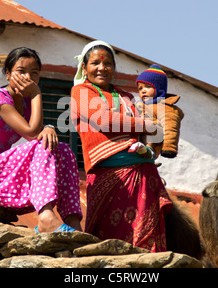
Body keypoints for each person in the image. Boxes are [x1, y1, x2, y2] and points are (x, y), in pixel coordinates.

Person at [0, 47, 82, 233]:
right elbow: (32, 135)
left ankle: (73, 222)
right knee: (42, 144)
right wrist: (37, 94)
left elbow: (39, 134)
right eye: (21, 71)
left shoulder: (26, 104)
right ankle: (46, 216)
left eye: (34, 73)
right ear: (8, 74)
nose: (28, 78)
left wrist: (48, 127)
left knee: (63, 149)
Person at [70, 40, 173, 252]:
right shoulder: (81, 91)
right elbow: (103, 120)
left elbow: (150, 130)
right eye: (95, 63)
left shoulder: (125, 96)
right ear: (84, 67)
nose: (101, 68)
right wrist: (148, 125)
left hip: (142, 170)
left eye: (107, 63)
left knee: (144, 237)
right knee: (108, 238)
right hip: (107, 174)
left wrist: (156, 131)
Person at [130, 64, 185, 159]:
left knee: (152, 127)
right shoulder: (139, 105)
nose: (143, 91)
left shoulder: (165, 107)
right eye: (140, 88)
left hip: (154, 142)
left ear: (158, 89)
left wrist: (169, 147)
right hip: (138, 142)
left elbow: (170, 127)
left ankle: (148, 151)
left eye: (148, 87)